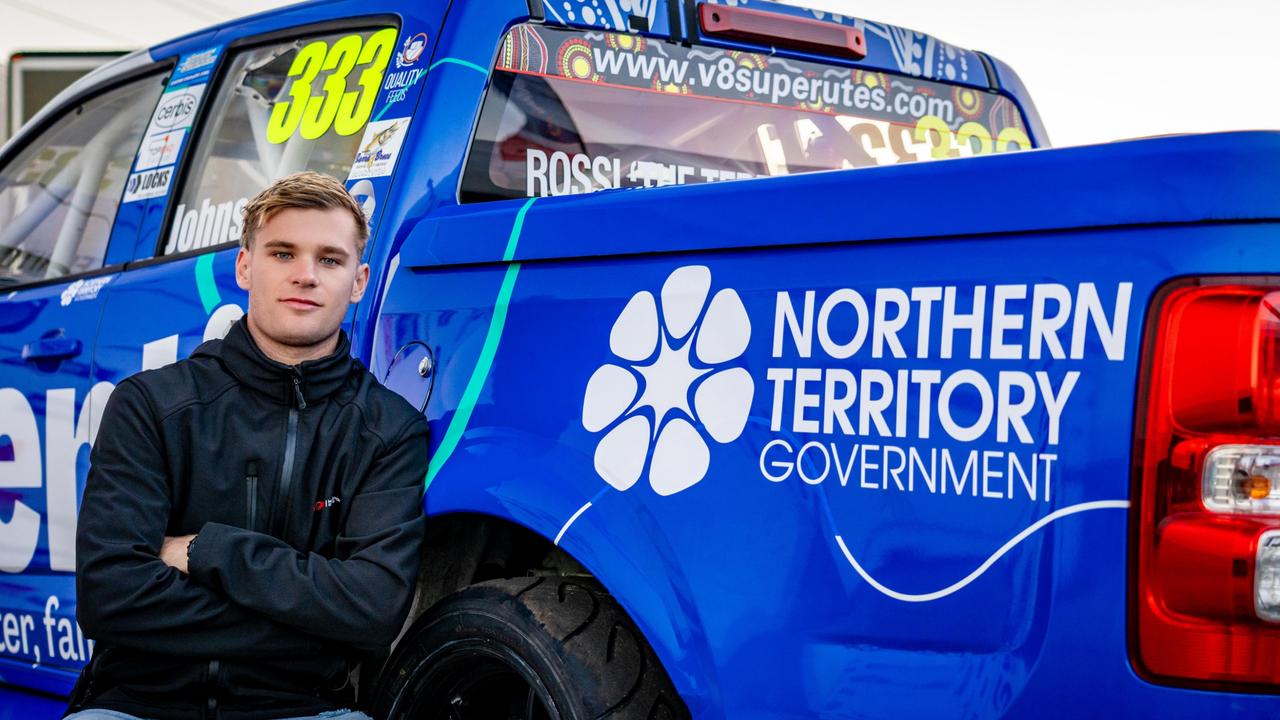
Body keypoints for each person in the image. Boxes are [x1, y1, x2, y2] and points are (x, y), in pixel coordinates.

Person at [67, 171, 429, 720]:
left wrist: (202, 551)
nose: (305, 275)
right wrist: (315, 623)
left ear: (359, 282)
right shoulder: (150, 404)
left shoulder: (388, 429)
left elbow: (374, 610)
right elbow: (109, 597)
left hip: (306, 711)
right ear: (245, 267)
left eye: (329, 260)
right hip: (138, 706)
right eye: (282, 253)